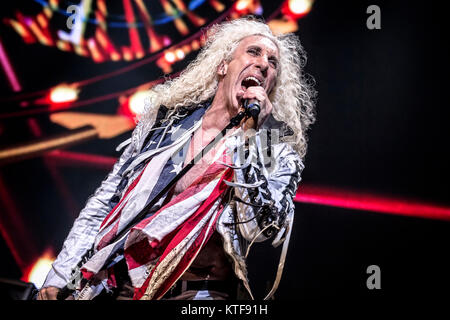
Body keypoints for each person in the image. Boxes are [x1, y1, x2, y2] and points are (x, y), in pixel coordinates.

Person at [37, 17, 316, 300]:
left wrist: (248, 139)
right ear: (223, 66)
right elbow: (107, 201)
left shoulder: (272, 147)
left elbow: (257, 227)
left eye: (273, 62)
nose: (264, 64)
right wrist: (61, 276)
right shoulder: (167, 127)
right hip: (122, 286)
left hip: (199, 293)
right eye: (253, 52)